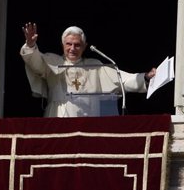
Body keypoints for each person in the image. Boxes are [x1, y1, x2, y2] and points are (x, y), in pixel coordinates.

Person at [20, 22, 156, 118]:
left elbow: (123, 80)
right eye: (69, 44)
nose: (72, 48)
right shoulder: (52, 62)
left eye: (77, 45)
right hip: (58, 117)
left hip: (89, 118)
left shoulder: (94, 66)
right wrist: (31, 45)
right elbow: (35, 63)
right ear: (62, 45)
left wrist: (145, 77)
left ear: (84, 46)